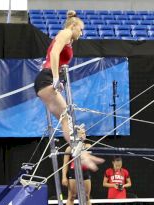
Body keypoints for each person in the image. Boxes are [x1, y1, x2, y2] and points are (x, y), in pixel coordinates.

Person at [34, 10, 103, 171]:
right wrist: (56, 78)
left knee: (67, 119)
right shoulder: (65, 32)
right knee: (67, 118)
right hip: (46, 78)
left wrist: (59, 79)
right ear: (73, 26)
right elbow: (54, 53)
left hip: (45, 81)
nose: (82, 32)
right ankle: (81, 154)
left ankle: (82, 154)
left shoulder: (68, 37)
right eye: (81, 29)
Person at [62, 127, 100, 205]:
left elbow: (87, 157)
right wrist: (64, 177)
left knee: (87, 196)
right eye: (80, 133)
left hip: (85, 173)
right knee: (72, 196)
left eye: (84, 133)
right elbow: (65, 165)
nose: (83, 135)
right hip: (73, 173)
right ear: (75, 136)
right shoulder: (69, 148)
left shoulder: (88, 146)